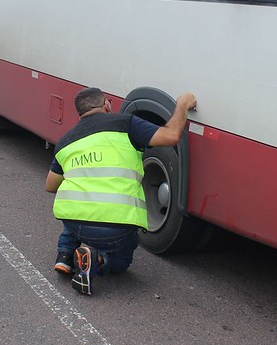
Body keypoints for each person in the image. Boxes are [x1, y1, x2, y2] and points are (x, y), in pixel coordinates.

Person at [45, 87, 197, 295]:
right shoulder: (126, 124)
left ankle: (64, 255)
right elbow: (171, 136)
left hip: (75, 224)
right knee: (122, 260)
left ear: (79, 113)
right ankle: (97, 259)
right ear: (106, 104)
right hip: (115, 229)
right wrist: (183, 104)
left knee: (75, 207)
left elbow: (50, 186)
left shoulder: (65, 141)